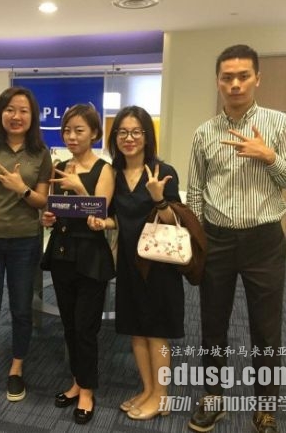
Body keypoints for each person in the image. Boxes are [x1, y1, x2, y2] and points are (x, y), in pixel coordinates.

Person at [186, 44, 286, 433]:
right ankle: (213, 397)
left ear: (258, 78)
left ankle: (266, 407)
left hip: (264, 241)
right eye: (227, 78)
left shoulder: (281, 125)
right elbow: (195, 192)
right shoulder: (204, 133)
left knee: (266, 328)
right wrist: (199, 239)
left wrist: (268, 156)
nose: (235, 84)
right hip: (217, 239)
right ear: (218, 82)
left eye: (243, 76)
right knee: (212, 324)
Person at [89, 105, 184, 421]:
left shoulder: (162, 171)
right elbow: (118, 218)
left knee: (156, 331)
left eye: (136, 132)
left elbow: (174, 221)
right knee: (136, 330)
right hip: (129, 263)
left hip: (158, 264)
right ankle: (148, 390)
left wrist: (159, 197)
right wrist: (104, 223)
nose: (129, 138)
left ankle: (162, 395)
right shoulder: (113, 174)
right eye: (122, 132)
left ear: (147, 136)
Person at [0, 86, 52, 403]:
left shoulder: (40, 153)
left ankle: (17, 367)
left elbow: (42, 201)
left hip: (25, 242)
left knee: (21, 309)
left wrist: (21, 188)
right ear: (0, 113)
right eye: (10, 109)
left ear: (33, 116)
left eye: (23, 110)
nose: (16, 116)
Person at [41, 104, 115, 425]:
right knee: (69, 325)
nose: (71, 136)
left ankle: (87, 390)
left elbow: (99, 213)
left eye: (79, 130)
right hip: (62, 252)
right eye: (67, 130)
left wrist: (79, 187)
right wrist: (47, 218)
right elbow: (56, 209)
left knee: (86, 327)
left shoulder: (104, 169)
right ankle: (76, 381)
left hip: (91, 256)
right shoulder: (59, 166)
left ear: (94, 133)